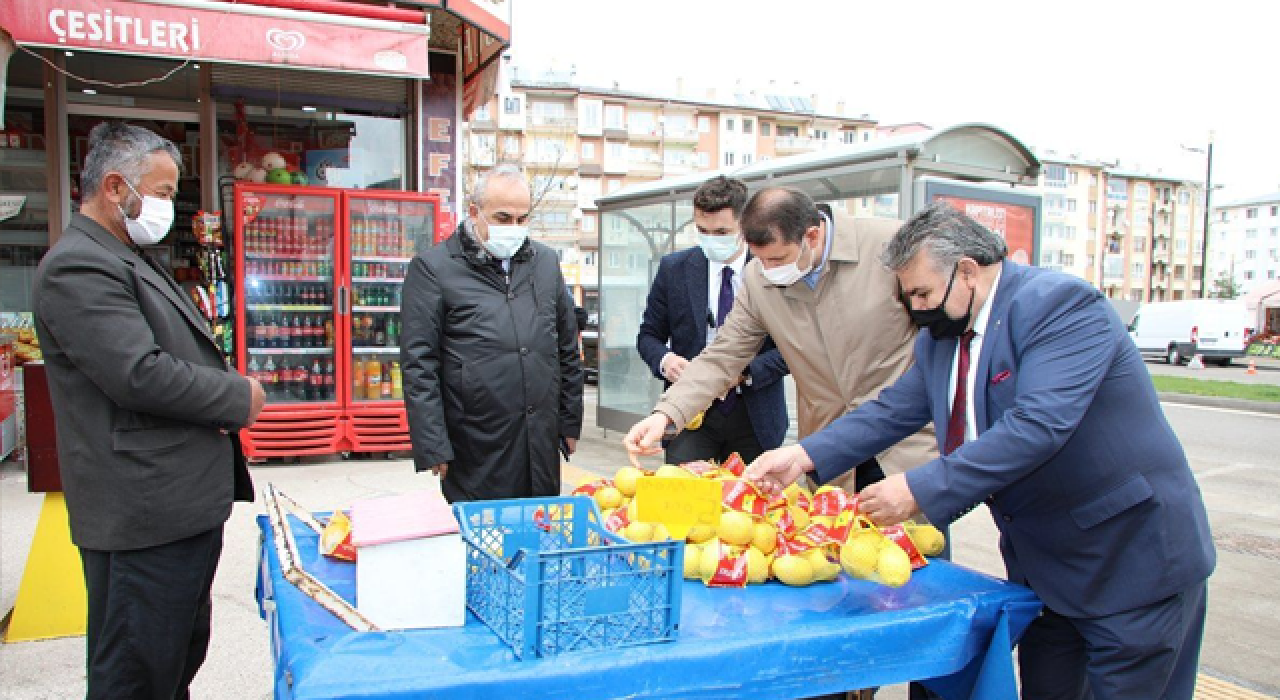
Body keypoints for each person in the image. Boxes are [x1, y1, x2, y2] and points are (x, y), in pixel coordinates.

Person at [747, 202, 1215, 699]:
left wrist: (916, 487)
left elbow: (1037, 425)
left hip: (1129, 564)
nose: (916, 308)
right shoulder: (942, 338)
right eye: (909, 295)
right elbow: (892, 410)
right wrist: (802, 456)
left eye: (923, 292)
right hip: (1046, 575)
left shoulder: (1058, 306)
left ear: (967, 271)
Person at [32, 122, 265, 698]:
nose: (166, 206)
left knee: (171, 660)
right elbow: (138, 373)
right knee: (135, 673)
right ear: (115, 187)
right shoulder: (79, 264)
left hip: (175, 507)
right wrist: (238, 395)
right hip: (142, 514)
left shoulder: (124, 253)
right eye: (161, 192)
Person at [625, 187, 934, 493]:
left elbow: (939, 336)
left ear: (811, 237)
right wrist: (667, 413)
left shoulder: (889, 247)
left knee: (915, 540)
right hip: (827, 451)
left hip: (902, 448)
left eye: (778, 259)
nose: (769, 271)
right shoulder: (758, 280)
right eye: (760, 260)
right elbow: (722, 356)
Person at [401, 164, 584, 502]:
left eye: (522, 218)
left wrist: (570, 422)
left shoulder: (544, 263)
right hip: (474, 439)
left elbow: (566, 348)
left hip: (539, 438)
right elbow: (418, 364)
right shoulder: (434, 269)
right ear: (475, 213)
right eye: (503, 218)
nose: (514, 228)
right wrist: (433, 444)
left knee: (537, 532)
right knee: (484, 538)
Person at [635, 176, 789, 465]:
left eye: (721, 231)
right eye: (702, 230)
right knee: (684, 500)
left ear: (744, 226)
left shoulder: (771, 269)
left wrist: (745, 372)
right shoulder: (674, 269)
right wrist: (666, 360)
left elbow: (792, 347)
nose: (711, 239)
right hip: (690, 416)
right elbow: (648, 336)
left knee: (752, 502)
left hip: (755, 416)